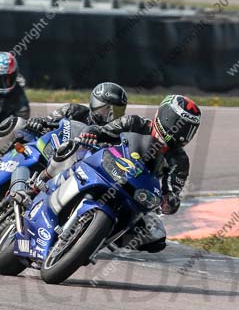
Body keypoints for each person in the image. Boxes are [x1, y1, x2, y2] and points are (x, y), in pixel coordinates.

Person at [32, 94, 201, 252]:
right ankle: (39, 183)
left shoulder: (180, 161)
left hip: (133, 195)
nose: (183, 134)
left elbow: (172, 191)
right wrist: (92, 134)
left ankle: (97, 239)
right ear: (167, 118)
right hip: (102, 167)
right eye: (182, 126)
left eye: (189, 130)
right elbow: (103, 131)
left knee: (156, 234)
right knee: (71, 150)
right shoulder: (134, 123)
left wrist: (169, 201)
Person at [0, 82, 128, 185]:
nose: (111, 116)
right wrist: (39, 122)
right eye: (106, 109)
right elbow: (48, 120)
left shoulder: (116, 134)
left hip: (70, 172)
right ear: (95, 104)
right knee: (14, 123)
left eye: (117, 110)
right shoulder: (74, 110)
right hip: (47, 148)